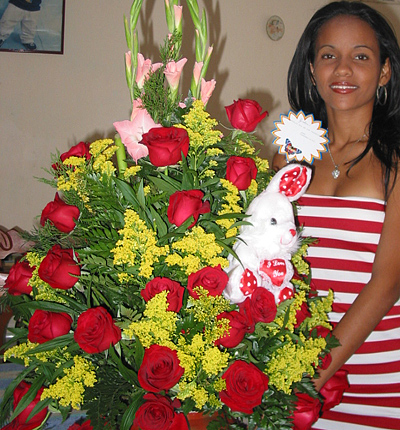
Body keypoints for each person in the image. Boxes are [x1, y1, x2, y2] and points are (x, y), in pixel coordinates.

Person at [273, 1, 400, 429]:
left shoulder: (397, 163)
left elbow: (387, 284)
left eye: (360, 56)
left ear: (384, 70)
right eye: (328, 55)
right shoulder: (288, 157)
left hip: (379, 376)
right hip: (292, 369)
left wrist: (310, 375)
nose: (342, 70)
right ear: (311, 68)